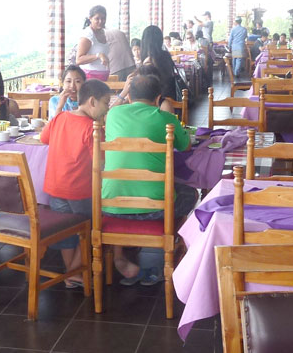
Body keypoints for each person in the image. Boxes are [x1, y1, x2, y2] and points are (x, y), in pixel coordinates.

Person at [102, 71, 198, 285]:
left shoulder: (113, 115)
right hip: (156, 210)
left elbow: (110, 111)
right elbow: (186, 146)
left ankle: (120, 255)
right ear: (158, 98)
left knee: (125, 189)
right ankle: (173, 247)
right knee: (190, 194)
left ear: (129, 96)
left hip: (111, 207)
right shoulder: (165, 119)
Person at [40, 79, 112, 285]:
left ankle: (71, 273)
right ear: (92, 101)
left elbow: (44, 138)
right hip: (80, 190)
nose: (107, 108)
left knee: (67, 232)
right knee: (93, 226)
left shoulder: (61, 117)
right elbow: (101, 162)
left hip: (55, 188)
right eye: (105, 103)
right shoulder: (92, 128)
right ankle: (73, 271)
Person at [140, 25, 183, 101]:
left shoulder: (148, 61)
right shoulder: (166, 56)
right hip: (171, 97)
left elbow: (145, 85)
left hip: (155, 100)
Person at [75, 4, 111, 81]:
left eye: (103, 18)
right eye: (97, 19)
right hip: (90, 77)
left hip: (103, 76)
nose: (100, 21)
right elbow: (79, 60)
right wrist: (98, 55)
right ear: (90, 19)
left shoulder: (103, 32)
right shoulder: (88, 34)